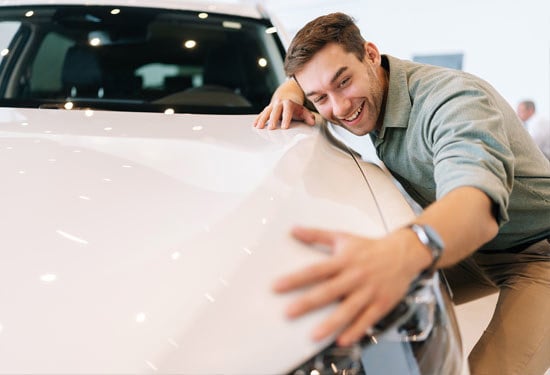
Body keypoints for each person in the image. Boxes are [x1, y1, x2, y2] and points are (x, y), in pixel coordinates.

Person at [254, 13, 550, 375]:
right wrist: (289, 90)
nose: (340, 107)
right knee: (360, 308)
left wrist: (405, 248)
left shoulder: (453, 100)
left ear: (371, 55)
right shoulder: (362, 88)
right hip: (475, 251)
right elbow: (316, 78)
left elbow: (476, 202)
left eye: (343, 82)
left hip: (539, 254)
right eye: (320, 98)